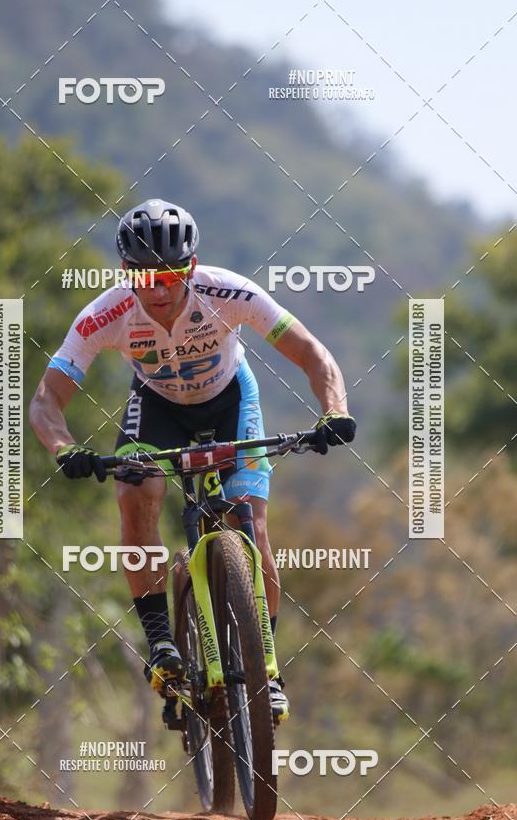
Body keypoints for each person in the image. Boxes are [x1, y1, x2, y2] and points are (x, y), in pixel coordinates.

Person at [29, 198, 356, 723]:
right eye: (143, 278)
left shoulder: (230, 293)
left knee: (251, 521)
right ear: (124, 274)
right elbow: (46, 400)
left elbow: (312, 353)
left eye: (170, 276)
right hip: (155, 408)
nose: (157, 291)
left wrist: (334, 411)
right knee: (136, 495)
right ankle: (161, 643)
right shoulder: (103, 315)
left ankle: (268, 670)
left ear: (192, 268)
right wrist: (65, 449)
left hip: (231, 400)